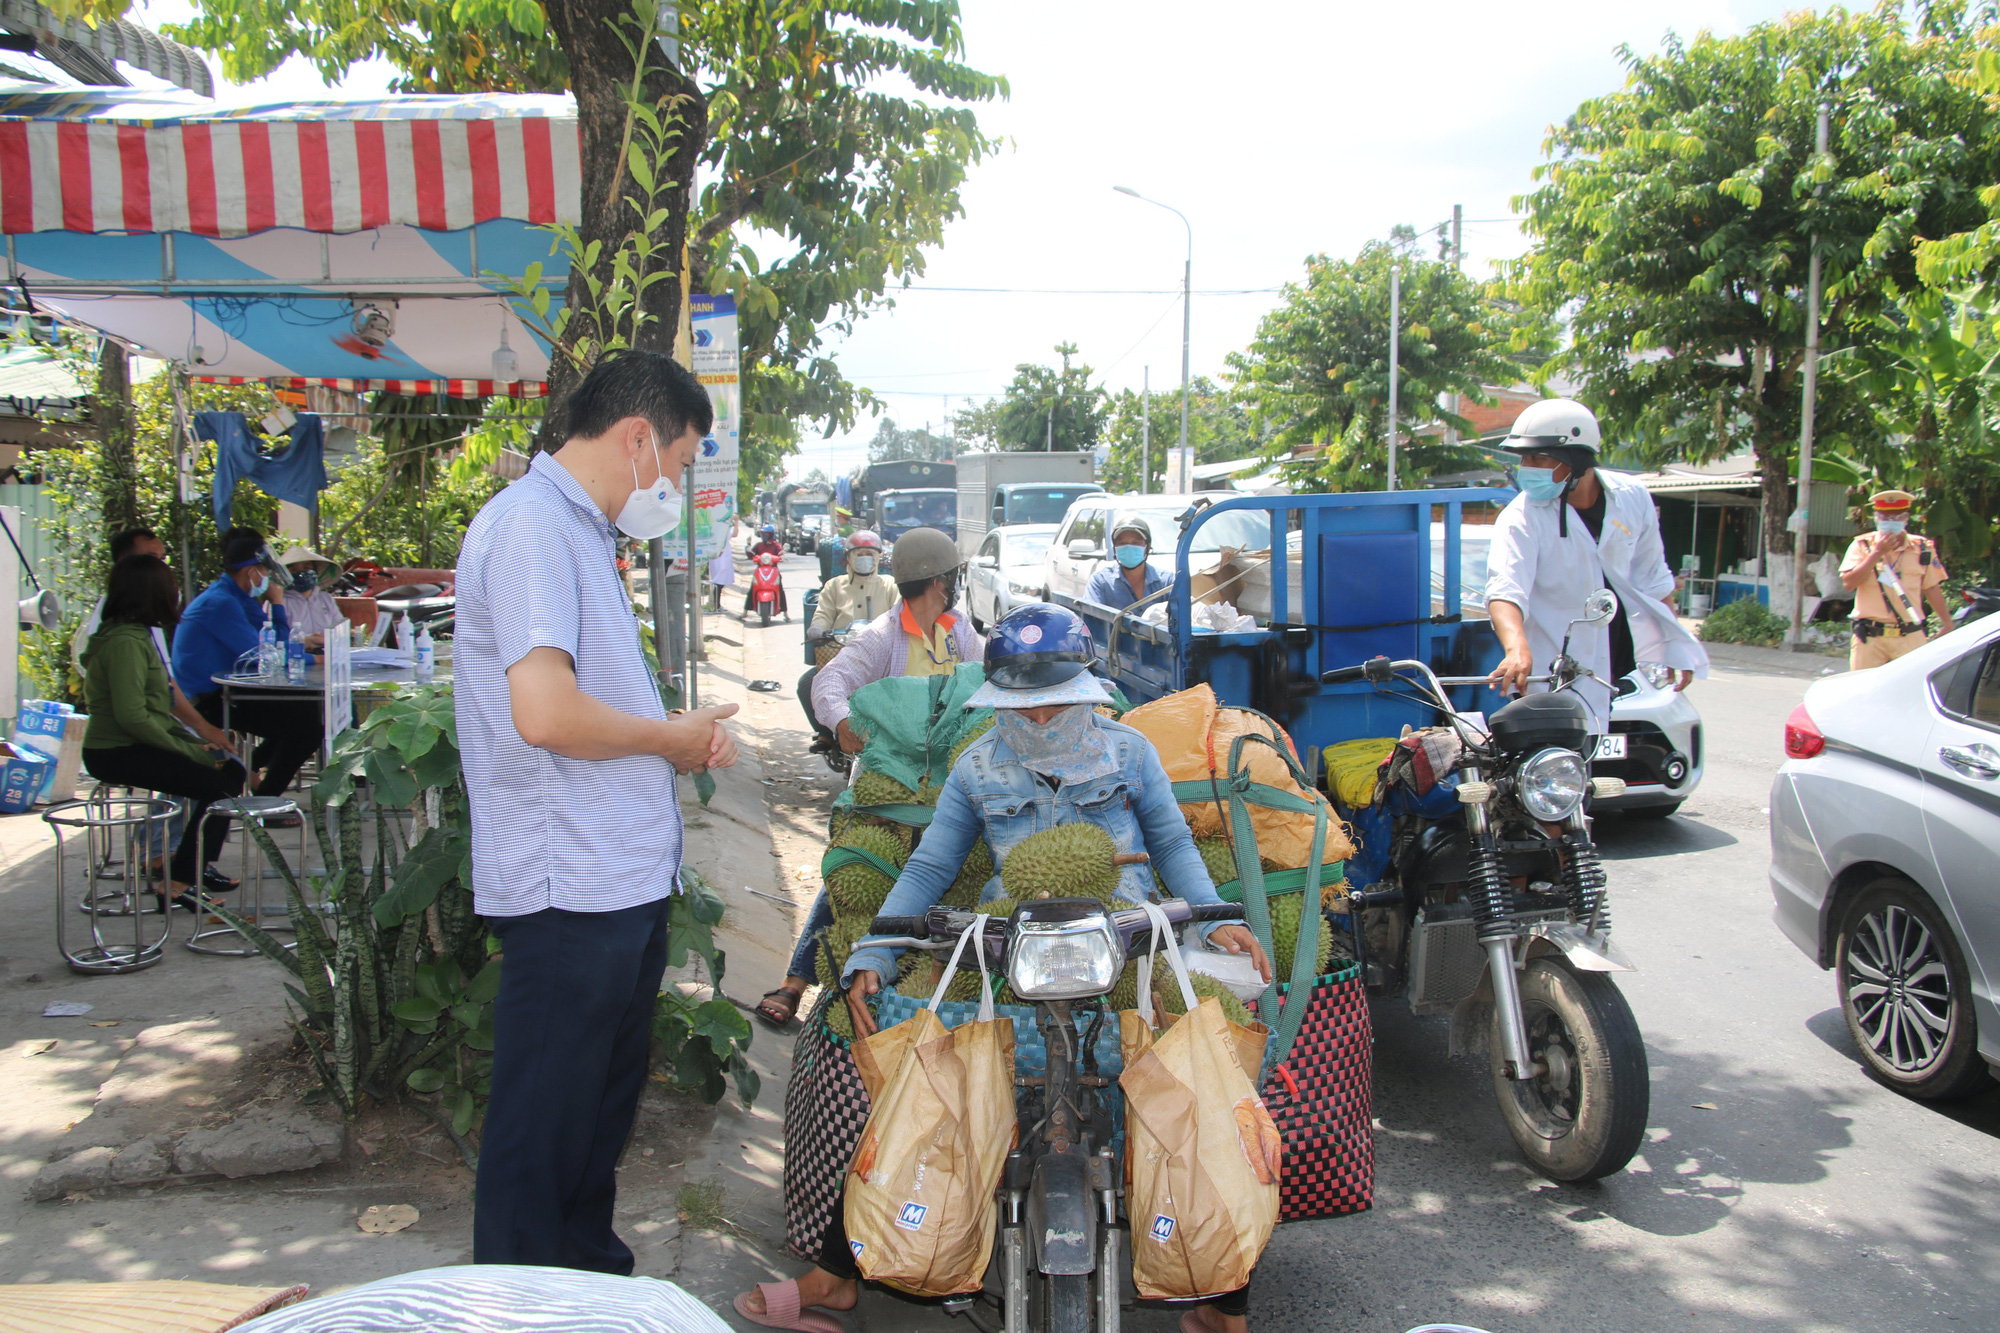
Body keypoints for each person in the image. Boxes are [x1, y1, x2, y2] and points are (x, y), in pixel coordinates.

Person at [736, 603, 1271, 1333]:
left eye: (1053, 698)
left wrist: (1216, 917)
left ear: (1084, 686)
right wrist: (875, 948)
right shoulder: (979, 763)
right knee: (922, 1077)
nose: (1041, 716)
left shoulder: (1128, 752)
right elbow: (930, 865)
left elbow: (1174, 848)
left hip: (1129, 942)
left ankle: (1217, 1299)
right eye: (1024, 702)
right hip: (1002, 948)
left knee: (1207, 1075)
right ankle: (837, 1274)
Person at [455, 350, 740, 1275]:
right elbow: (545, 713)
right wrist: (671, 742)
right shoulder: (534, 528)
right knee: (542, 1143)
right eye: (682, 462)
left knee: (587, 1131)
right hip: (566, 887)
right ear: (636, 437)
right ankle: (524, 1300)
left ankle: (583, 1287)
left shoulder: (580, 533)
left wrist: (676, 730)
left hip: (613, 882)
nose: (678, 485)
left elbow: (588, 699)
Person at [756, 528, 982, 1029]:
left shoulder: (958, 630)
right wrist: (840, 723)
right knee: (855, 869)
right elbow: (828, 681)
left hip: (947, 784)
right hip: (888, 783)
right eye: (953, 578)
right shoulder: (881, 636)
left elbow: (989, 671)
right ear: (941, 582)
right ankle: (796, 981)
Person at [1483, 398, 1707, 730]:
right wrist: (1517, 649)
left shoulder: (1632, 497)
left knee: (1603, 771)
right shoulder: (1521, 516)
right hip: (1551, 672)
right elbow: (1505, 590)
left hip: (1617, 667)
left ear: (1576, 459)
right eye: (1524, 458)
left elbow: (1654, 578)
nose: (1527, 467)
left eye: (1538, 457)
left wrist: (1674, 644)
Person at [80, 555, 246, 909]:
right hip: (115, 751)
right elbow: (132, 717)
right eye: (170, 589)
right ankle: (179, 881)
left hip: (136, 741)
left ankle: (187, 872)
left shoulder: (138, 633)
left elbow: (164, 699)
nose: (176, 595)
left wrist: (200, 737)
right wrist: (187, 751)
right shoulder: (125, 641)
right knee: (219, 787)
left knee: (231, 770)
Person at [174, 533, 323, 806]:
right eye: (265, 571)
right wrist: (278, 604)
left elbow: (275, 642)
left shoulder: (239, 597)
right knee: (308, 727)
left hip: (232, 688)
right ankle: (265, 801)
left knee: (311, 708)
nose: (268, 578)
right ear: (252, 572)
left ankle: (249, 767)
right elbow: (267, 654)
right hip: (209, 698)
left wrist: (276, 607)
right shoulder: (220, 603)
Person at [796, 531, 898, 756]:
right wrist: (817, 628)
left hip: (880, 659)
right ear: (848, 558)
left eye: (869, 553)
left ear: (878, 557)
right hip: (838, 655)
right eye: (858, 553)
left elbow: (899, 613)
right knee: (807, 684)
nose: (864, 558)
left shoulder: (890, 585)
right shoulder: (834, 586)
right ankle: (825, 731)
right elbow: (823, 614)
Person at [1839, 489, 1953, 670]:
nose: (1890, 522)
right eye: (1885, 517)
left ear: (1906, 519)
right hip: (1870, 637)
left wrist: (1947, 623)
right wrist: (1877, 553)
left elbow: (1931, 587)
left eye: (1896, 517)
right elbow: (1849, 583)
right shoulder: (1862, 545)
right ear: (1876, 518)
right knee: (1864, 693)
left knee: (1909, 692)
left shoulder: (1922, 548)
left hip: (1910, 636)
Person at [1086, 514, 1173, 613]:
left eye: (1135, 543)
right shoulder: (1100, 582)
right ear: (1115, 548)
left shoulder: (1168, 582)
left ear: (1147, 547)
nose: (1129, 548)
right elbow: (1092, 617)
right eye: (1122, 543)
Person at [276, 546, 344, 649]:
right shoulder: (279, 601)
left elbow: (340, 627)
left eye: (306, 568)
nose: (301, 573)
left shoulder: (326, 598)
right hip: (296, 655)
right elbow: (277, 637)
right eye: (293, 570)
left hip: (327, 654)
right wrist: (306, 640)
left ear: (315, 572)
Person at [745, 524, 789, 619]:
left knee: (780, 590)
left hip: (773, 571)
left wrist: (782, 557)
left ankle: (785, 613)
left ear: (771, 534)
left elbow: (780, 554)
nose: (764, 535)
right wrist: (748, 546)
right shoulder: (759, 546)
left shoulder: (776, 545)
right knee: (752, 589)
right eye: (763, 533)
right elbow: (751, 555)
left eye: (766, 533)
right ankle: (745, 611)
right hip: (760, 571)